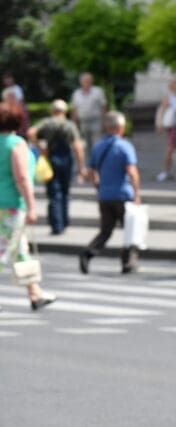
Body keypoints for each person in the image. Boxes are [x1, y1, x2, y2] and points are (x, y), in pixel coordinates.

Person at [0, 103, 57, 311]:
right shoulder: (16, 144)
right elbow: (22, 177)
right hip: (11, 206)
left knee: (20, 250)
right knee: (4, 251)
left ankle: (35, 293)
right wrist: (32, 206)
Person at [78, 111, 142, 275]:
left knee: (105, 231)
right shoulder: (125, 146)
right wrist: (137, 193)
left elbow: (91, 171)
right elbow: (132, 172)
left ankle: (88, 252)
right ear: (121, 127)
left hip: (105, 195)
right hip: (123, 195)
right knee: (131, 230)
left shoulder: (98, 146)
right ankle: (128, 262)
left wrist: (98, 186)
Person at [29, 100, 85, 235]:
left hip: (52, 157)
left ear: (52, 110)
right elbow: (77, 147)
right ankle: (64, 222)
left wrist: (40, 147)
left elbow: (31, 132)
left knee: (54, 192)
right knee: (65, 191)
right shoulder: (69, 125)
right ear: (65, 111)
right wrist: (81, 166)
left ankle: (56, 225)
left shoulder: (47, 123)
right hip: (66, 158)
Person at [70, 72, 107, 157]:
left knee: (97, 142)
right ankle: (90, 161)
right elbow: (74, 110)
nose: (87, 82)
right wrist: (73, 124)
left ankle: (98, 160)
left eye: (89, 80)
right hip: (83, 121)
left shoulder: (98, 91)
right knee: (86, 144)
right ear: (81, 82)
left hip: (96, 120)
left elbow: (104, 107)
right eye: (85, 81)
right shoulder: (76, 94)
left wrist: (105, 121)